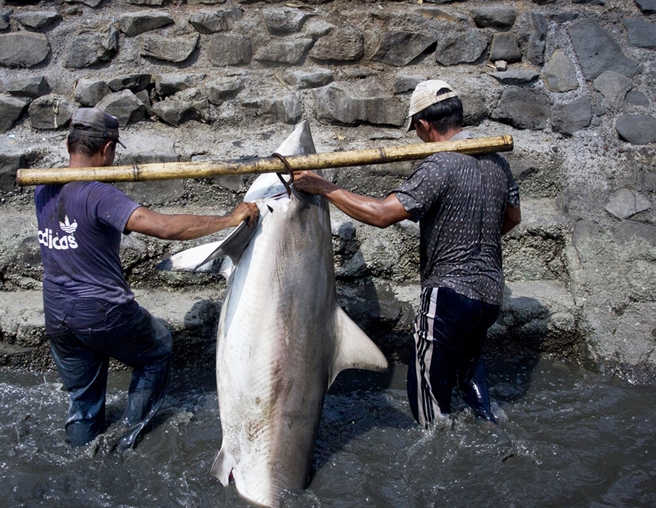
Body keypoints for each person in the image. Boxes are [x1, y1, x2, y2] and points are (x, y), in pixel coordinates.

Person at [292, 80, 521, 427]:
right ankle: (491, 425)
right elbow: (512, 218)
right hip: (490, 293)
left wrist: (323, 187)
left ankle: (435, 455)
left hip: (449, 295)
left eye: (415, 128)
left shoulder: (438, 164)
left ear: (425, 125)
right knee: (469, 367)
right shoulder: (497, 161)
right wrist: (472, 237)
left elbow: (382, 215)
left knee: (427, 403)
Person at [35, 108, 259, 449]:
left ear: (69, 143)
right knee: (157, 350)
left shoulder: (42, 186)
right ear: (109, 149)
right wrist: (229, 220)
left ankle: (80, 452)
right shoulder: (99, 194)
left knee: (82, 402)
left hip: (56, 312)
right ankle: (128, 435)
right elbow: (165, 228)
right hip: (101, 310)